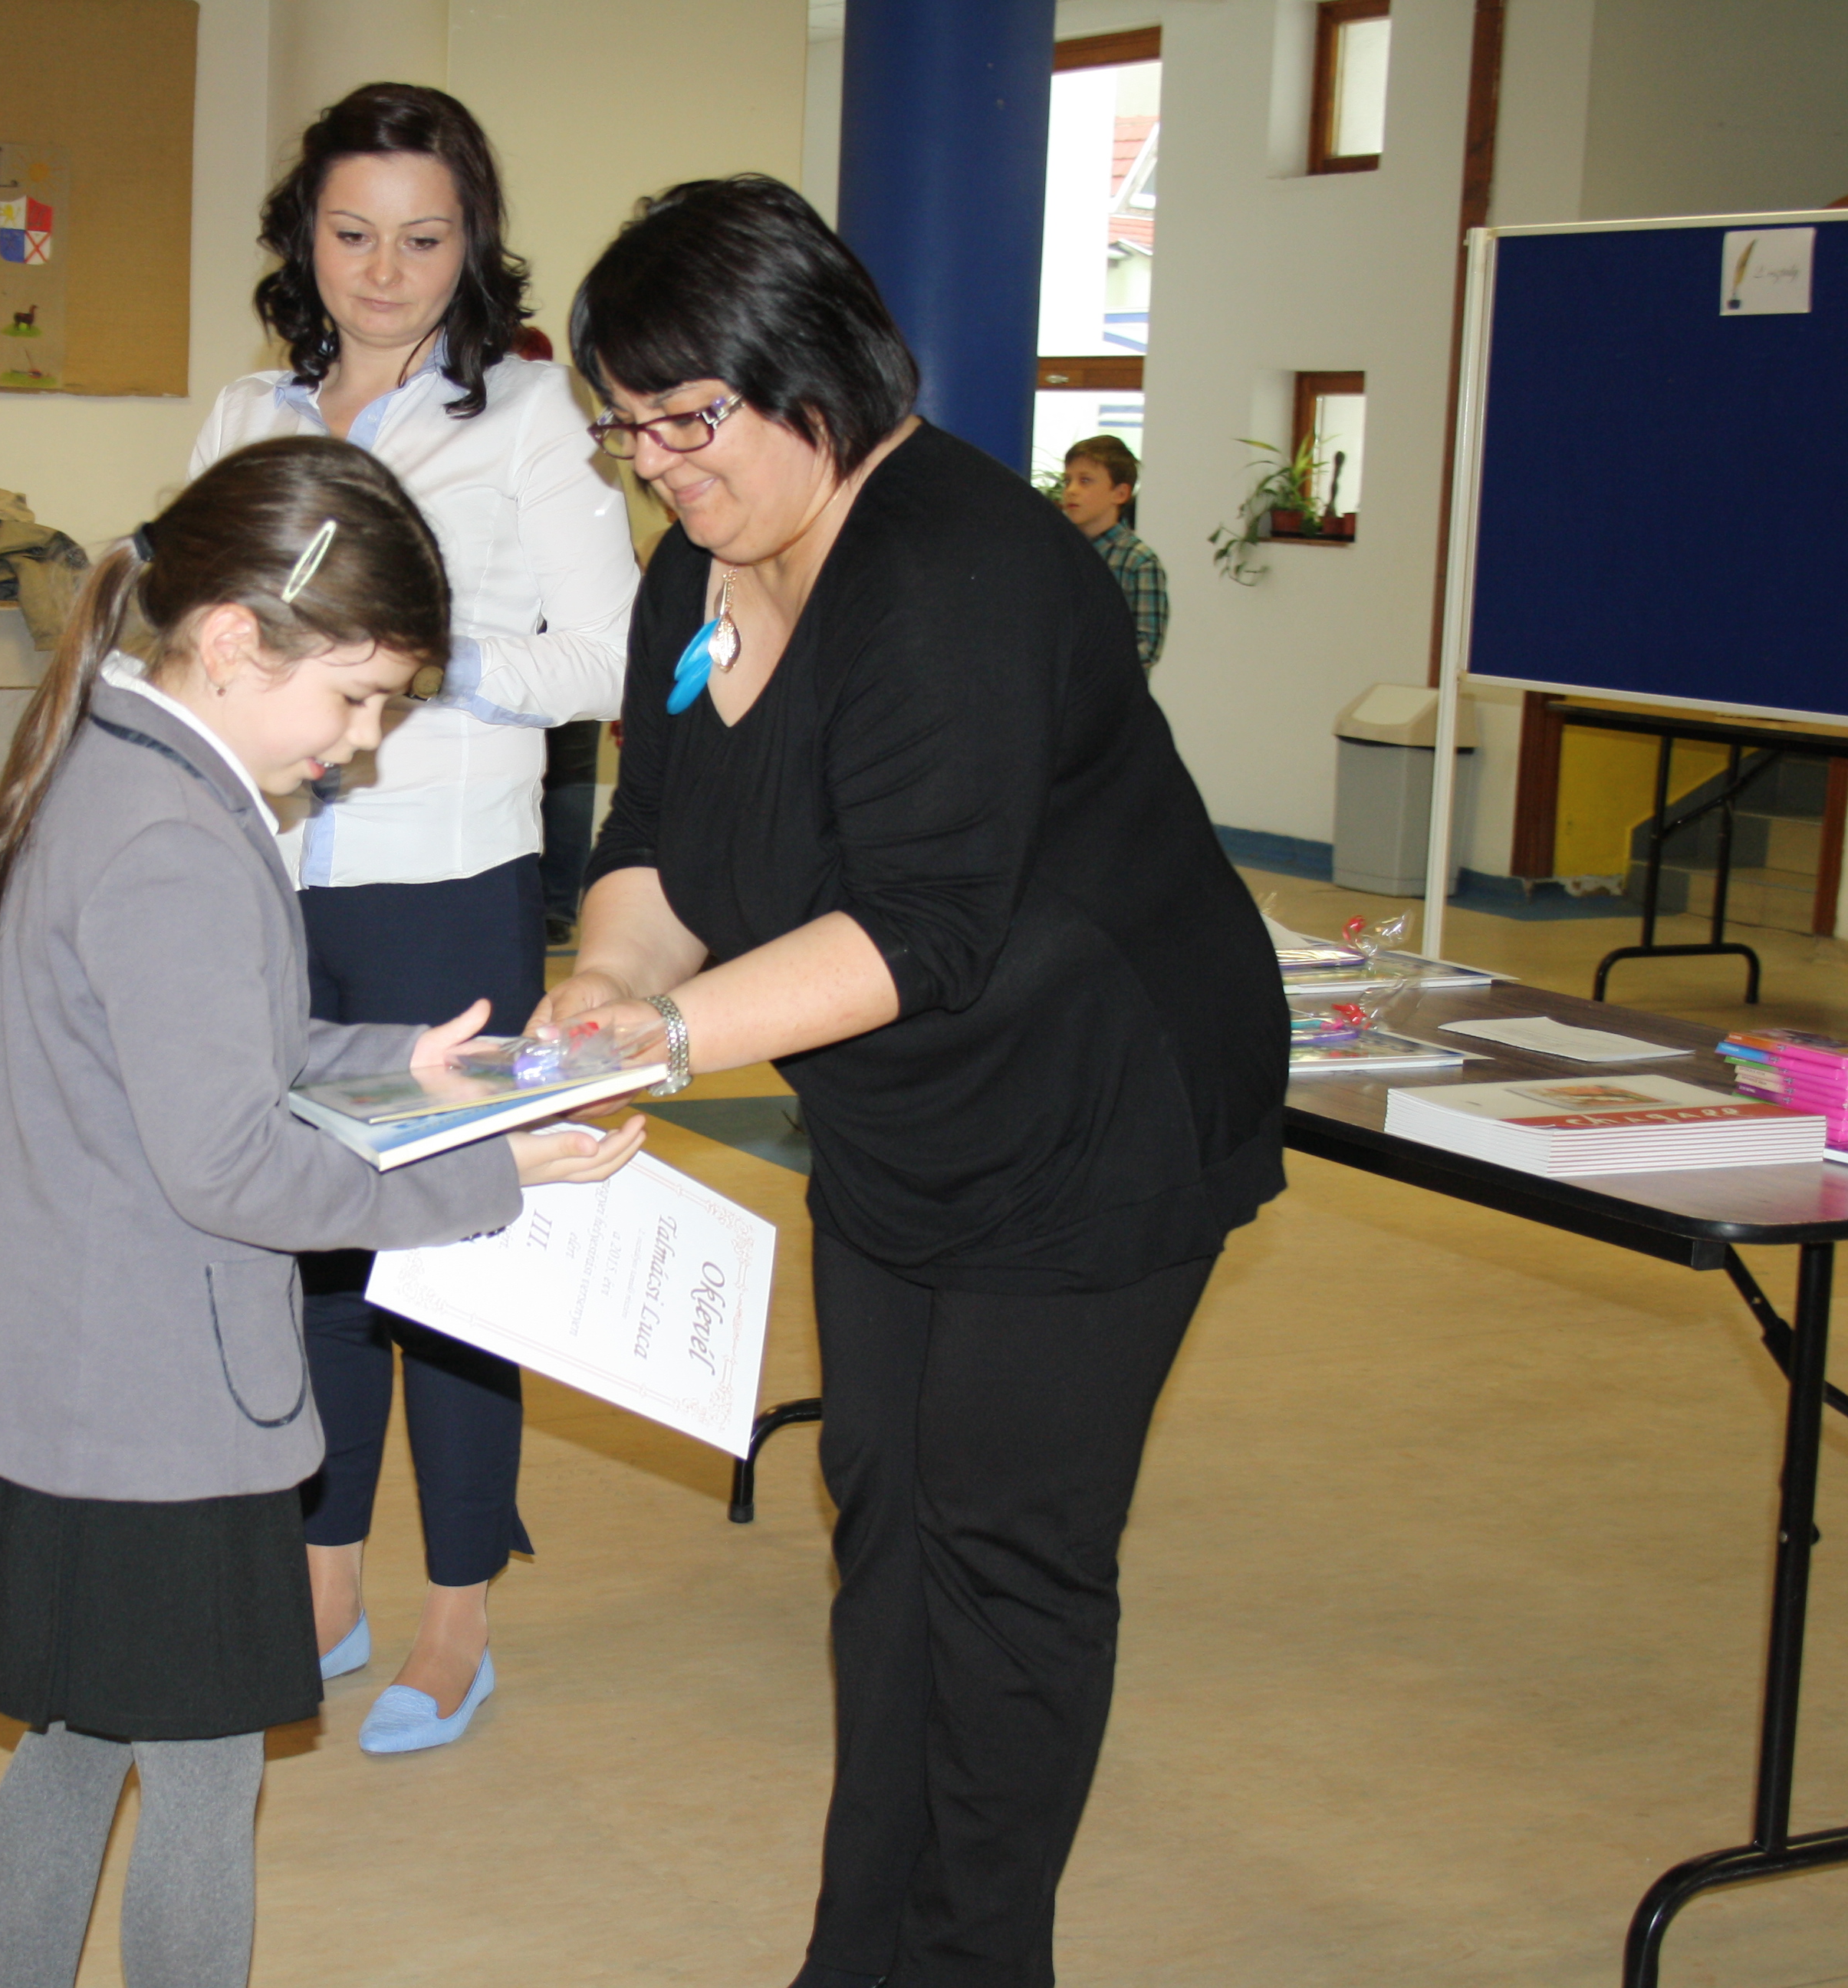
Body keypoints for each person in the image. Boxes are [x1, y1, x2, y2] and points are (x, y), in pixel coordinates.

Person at [552, 177, 1287, 1988]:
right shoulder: (693, 569)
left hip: (1097, 1101)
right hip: (899, 1107)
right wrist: (601, 989)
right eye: (627, 427)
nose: (656, 466)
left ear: (811, 373)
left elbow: (924, 929)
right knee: (886, 1516)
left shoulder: (958, 564)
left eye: (687, 419)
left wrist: (663, 1044)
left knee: (1006, 1549)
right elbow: (652, 844)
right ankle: (859, 1951)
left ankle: (976, 1962)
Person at [0, 436, 643, 1987]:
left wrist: (403, 1064)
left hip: (69, 1388)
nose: (360, 746)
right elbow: (226, 1168)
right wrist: (487, 1176)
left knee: (78, 1746)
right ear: (233, 639)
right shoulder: (177, 835)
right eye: (356, 700)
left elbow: (203, 1040)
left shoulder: (125, 762)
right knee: (202, 1778)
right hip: (147, 1416)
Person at [188, 82, 638, 1750]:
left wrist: (405, 667)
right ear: (303, 236)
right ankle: (326, 1584)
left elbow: (602, 656)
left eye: (424, 238)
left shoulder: (521, 414)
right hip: (266, 882)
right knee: (305, 1246)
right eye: (352, 233)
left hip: (443, 885)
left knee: (448, 1261)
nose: (384, 272)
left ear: (474, 242)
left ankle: (458, 1619)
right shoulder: (246, 409)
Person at [1055, 433, 1167, 671]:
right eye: (1067, 481)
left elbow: (1147, 648)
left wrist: (1085, 665)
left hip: (1106, 690)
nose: (1071, 490)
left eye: (1085, 481)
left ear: (1120, 494)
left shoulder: (1139, 562)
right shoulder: (1057, 554)